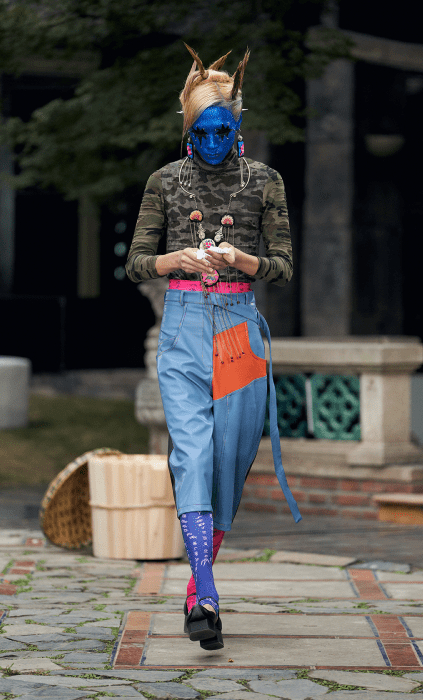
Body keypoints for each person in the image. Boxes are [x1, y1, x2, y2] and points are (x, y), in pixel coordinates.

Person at [125, 44, 301, 651]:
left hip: (238, 326)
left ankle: (197, 589)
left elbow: (283, 266)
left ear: (238, 126)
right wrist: (174, 258)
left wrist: (243, 259)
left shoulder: (266, 182)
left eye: (224, 130)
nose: (214, 141)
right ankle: (205, 593)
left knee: (228, 460)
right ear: (188, 131)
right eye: (203, 132)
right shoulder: (164, 182)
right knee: (193, 455)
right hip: (183, 324)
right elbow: (135, 262)